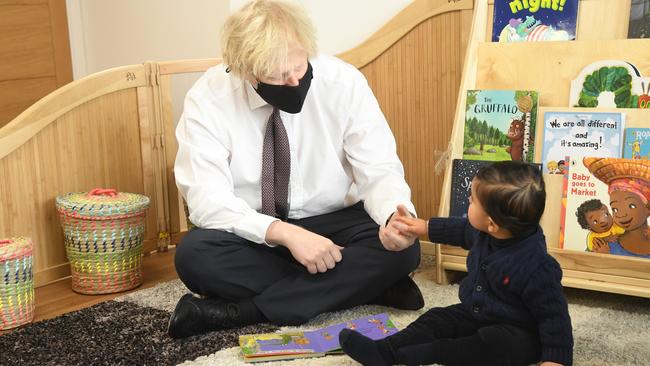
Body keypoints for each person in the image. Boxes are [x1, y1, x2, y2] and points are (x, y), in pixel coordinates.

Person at [167, 0, 423, 339]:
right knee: (194, 256)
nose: (292, 81)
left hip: (338, 222)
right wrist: (286, 234)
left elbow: (379, 170)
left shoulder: (343, 82)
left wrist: (394, 218)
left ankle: (242, 311)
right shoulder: (208, 98)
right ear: (246, 71)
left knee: (405, 251)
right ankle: (369, 288)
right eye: (275, 76)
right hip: (258, 230)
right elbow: (206, 199)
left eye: (298, 68)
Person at [339, 161, 574, 366]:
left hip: (518, 332)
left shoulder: (537, 267)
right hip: (476, 311)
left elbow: (555, 318)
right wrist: (422, 227)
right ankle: (386, 350)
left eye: (473, 201)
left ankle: (423, 355)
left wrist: (556, 358)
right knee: (436, 319)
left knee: (486, 346)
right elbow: (458, 229)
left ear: (492, 223)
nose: (468, 200)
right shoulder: (487, 232)